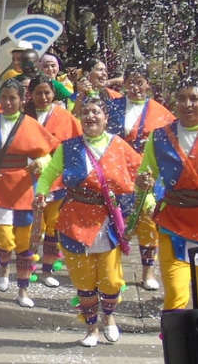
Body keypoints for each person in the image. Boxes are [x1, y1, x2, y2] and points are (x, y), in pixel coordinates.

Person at [35, 97, 142, 346]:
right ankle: (91, 328)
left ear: (106, 118)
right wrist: (40, 193)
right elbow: (50, 172)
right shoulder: (69, 146)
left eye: (96, 112)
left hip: (107, 220)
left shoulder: (119, 145)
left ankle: (110, 318)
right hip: (74, 219)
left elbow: (141, 170)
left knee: (111, 279)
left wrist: (146, 197)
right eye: (85, 112)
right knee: (84, 280)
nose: (90, 117)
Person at [0, 79, 59, 307]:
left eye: (13, 98)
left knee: (26, 241)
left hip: (26, 186)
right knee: (3, 237)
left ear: (22, 100)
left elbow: (50, 153)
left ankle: (24, 290)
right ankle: (4, 265)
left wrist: (41, 162)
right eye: (4, 97)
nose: (8, 102)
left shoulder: (31, 124)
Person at [107, 63, 176, 290]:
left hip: (147, 176)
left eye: (140, 82)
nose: (135, 87)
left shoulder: (161, 113)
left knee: (148, 222)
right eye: (131, 82)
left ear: (147, 84)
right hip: (118, 173)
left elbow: (170, 145)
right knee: (116, 220)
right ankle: (113, 270)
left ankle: (148, 272)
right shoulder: (112, 107)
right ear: (124, 83)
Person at [137, 78, 198, 314]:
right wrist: (149, 200)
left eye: (194, 98)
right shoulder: (159, 137)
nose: (188, 104)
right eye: (182, 98)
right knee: (175, 298)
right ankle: (177, 349)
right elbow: (144, 178)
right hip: (173, 225)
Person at [24, 76, 82, 287]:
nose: (43, 97)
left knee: (53, 226)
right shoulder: (23, 115)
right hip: (27, 178)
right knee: (30, 227)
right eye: (38, 92)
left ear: (53, 93)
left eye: (47, 92)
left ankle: (47, 269)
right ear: (30, 94)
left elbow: (76, 144)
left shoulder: (64, 116)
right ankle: (26, 270)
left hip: (56, 179)